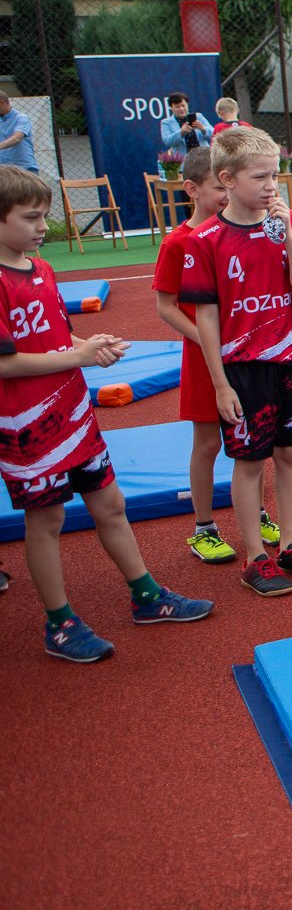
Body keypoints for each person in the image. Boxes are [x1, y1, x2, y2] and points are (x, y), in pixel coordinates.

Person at [0, 167, 213, 660]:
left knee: (110, 504)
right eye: (30, 218)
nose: (42, 228)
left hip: (74, 416)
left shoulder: (42, 270)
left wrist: (89, 345)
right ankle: (59, 622)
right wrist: (76, 357)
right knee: (47, 519)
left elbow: (56, 336)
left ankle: (146, 595)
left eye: (44, 217)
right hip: (27, 427)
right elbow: (5, 362)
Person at [180, 126, 292, 595]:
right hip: (242, 367)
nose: (271, 185)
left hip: (290, 358)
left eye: (276, 175)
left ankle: (289, 543)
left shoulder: (280, 229)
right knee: (250, 461)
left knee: (289, 454)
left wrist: (288, 238)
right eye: (260, 177)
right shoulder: (204, 241)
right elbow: (206, 319)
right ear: (226, 179)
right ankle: (255, 556)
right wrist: (221, 384)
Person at [151, 147, 238, 563]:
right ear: (192, 188)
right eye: (219, 186)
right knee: (207, 444)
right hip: (204, 359)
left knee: (253, 439)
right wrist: (205, 340)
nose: (227, 193)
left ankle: (255, 512)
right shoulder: (178, 242)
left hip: (245, 352)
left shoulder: (238, 232)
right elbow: (165, 305)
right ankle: (204, 527)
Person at [159, 91, 213, 156]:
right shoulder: (166, 123)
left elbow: (214, 134)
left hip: (204, 157)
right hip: (184, 161)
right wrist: (181, 132)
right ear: (171, 108)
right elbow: (167, 141)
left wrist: (203, 129)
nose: (181, 109)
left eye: (183, 105)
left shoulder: (198, 116)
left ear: (187, 105)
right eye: (177, 107)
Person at [0, 91, 36, 172]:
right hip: (3, 170)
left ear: (2, 103)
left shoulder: (21, 118)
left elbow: (17, 138)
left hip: (24, 169)